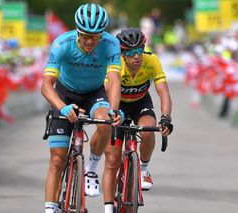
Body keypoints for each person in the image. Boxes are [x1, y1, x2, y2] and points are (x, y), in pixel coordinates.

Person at [41, 3, 123, 213]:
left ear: (102, 34)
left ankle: (91, 170)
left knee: (105, 122)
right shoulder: (62, 43)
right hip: (64, 95)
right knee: (57, 159)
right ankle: (50, 209)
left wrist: (113, 110)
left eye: (95, 37)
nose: (89, 41)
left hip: (94, 94)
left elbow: (114, 81)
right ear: (77, 31)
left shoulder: (111, 44)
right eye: (85, 35)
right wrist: (62, 107)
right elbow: (46, 86)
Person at [103, 28, 173, 212]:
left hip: (141, 102)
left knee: (148, 130)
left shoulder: (152, 60)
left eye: (139, 51)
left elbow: (163, 91)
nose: (137, 57)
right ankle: (109, 207)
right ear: (123, 54)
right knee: (112, 159)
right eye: (131, 53)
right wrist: (113, 112)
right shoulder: (115, 63)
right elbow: (108, 90)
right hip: (118, 104)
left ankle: (143, 168)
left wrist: (166, 117)